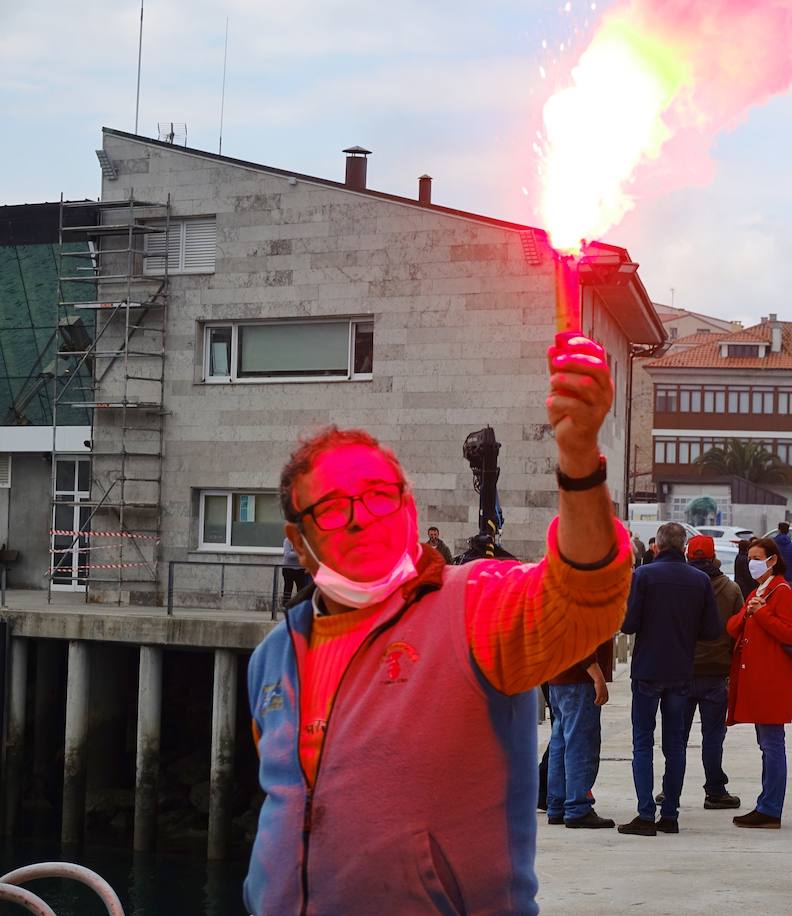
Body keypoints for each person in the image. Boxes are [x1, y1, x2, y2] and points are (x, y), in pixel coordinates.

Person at [244, 334, 629, 915]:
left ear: (410, 510)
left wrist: (578, 461)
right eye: (331, 506)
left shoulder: (473, 604)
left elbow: (585, 598)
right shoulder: (273, 657)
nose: (360, 519)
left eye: (379, 495)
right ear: (298, 540)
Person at [617, 522, 722, 837]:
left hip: (648, 669)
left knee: (643, 743)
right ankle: (671, 814)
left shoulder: (644, 576)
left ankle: (645, 814)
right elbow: (712, 631)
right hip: (681, 670)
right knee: (675, 745)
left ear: (657, 546)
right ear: (684, 547)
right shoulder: (700, 580)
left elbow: (629, 624)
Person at [726, 538, 792, 829]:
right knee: (767, 744)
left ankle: (770, 808)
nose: (751, 562)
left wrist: (762, 613)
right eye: (749, 557)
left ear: (772, 560)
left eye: (757, 557)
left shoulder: (780, 591)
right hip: (757, 678)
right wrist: (748, 611)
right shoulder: (758, 591)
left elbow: (791, 634)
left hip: (772, 680)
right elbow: (732, 627)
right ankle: (766, 804)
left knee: (772, 744)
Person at [683, 534, 744, 810]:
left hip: (681, 673)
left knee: (676, 736)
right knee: (713, 736)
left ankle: (668, 788)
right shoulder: (730, 590)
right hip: (716, 674)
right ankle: (715, 791)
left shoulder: (679, 586)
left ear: (688, 556)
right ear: (713, 557)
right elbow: (739, 631)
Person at [545, 639, 614, 829]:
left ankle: (557, 804)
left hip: (559, 675)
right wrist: (597, 676)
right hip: (579, 677)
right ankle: (578, 806)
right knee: (580, 744)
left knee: (560, 743)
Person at [280, 535, 311, 607]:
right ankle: (286, 606)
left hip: (300, 569)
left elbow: (307, 553)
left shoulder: (303, 541)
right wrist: (300, 552)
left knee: (301, 589)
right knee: (288, 588)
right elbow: (287, 555)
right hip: (288, 568)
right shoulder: (287, 540)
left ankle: (299, 606)